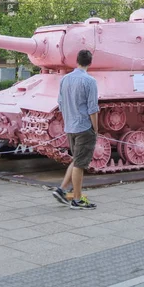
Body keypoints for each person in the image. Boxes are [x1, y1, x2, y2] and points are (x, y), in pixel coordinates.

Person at [52, 49, 99, 210]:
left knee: (76, 159)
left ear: (76, 61)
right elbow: (93, 108)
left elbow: (60, 102)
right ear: (90, 63)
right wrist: (96, 128)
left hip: (70, 125)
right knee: (80, 164)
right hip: (84, 126)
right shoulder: (90, 81)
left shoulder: (65, 79)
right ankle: (77, 200)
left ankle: (62, 189)